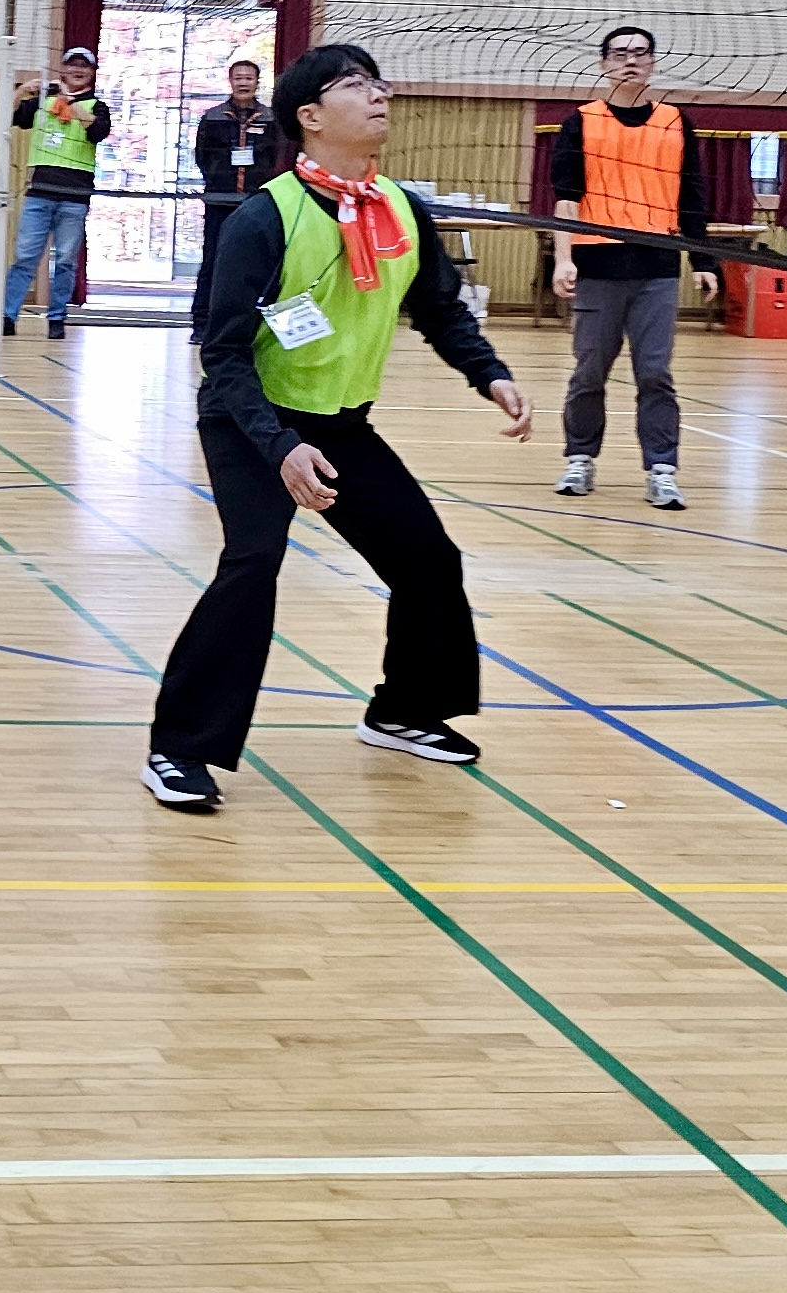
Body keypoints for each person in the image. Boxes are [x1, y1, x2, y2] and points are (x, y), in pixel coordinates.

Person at [143, 44, 532, 814]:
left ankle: (403, 711)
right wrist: (280, 446)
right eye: (354, 85)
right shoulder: (264, 217)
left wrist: (488, 372)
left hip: (342, 424)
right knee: (253, 561)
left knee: (427, 559)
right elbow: (223, 355)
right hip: (251, 422)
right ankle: (178, 747)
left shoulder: (400, 209)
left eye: (377, 82)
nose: (378, 94)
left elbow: (439, 308)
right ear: (310, 117)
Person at [549, 25, 715, 510]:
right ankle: (580, 458)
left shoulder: (675, 122)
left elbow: (691, 196)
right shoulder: (580, 122)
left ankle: (662, 469)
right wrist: (563, 258)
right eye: (620, 53)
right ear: (604, 64)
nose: (630, 61)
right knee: (589, 373)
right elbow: (565, 198)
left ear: (652, 63)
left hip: (656, 268)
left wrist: (702, 260)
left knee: (655, 374)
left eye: (640, 53)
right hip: (596, 268)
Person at [4, 47, 110, 341]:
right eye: (71, 65)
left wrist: (69, 100)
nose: (77, 70)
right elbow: (9, 117)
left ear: (92, 72)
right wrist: (21, 91)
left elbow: (97, 132)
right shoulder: (42, 101)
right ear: (62, 69)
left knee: (65, 260)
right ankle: (7, 317)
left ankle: (57, 318)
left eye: (84, 66)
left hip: (75, 196)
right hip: (39, 192)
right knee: (25, 257)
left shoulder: (98, 106)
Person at [189, 58, 278, 344]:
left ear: (257, 82)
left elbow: (275, 158)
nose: (243, 83)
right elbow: (201, 156)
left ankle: (250, 325)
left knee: (256, 264)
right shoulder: (213, 117)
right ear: (230, 81)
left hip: (254, 204)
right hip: (219, 202)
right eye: (238, 78)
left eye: (248, 78)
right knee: (211, 263)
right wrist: (219, 182)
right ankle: (202, 324)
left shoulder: (269, 118)